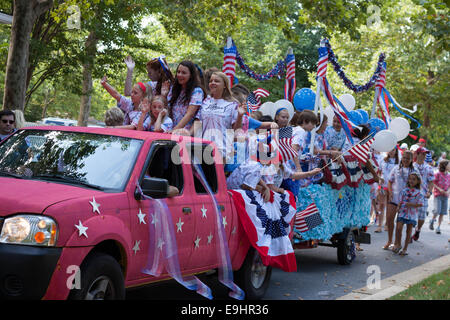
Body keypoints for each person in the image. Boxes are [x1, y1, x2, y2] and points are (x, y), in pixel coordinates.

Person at [192, 71, 243, 160]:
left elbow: (236, 131)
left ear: (224, 85)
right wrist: (189, 134)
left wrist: (240, 116)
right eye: (211, 81)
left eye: (216, 81)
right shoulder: (205, 101)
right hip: (202, 147)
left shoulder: (232, 104)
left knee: (215, 174)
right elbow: (198, 122)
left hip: (221, 149)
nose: (213, 83)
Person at [383, 150, 415, 250]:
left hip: (406, 201)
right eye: (404, 157)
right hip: (394, 198)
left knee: (400, 223)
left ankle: (397, 243)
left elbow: (418, 185)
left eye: (408, 158)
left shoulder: (414, 170)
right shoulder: (396, 168)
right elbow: (389, 181)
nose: (405, 160)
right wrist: (390, 191)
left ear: (411, 160)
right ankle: (389, 241)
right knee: (389, 219)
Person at [392, 172, 424, 256]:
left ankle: (405, 249)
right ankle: (398, 244)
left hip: (412, 214)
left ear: (418, 181)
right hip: (402, 212)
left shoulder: (419, 193)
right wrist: (398, 207)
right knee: (398, 228)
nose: (411, 181)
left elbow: (420, 204)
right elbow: (400, 200)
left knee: (408, 231)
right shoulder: (404, 190)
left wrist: (411, 205)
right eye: (410, 179)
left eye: (414, 179)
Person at [168, 60, 205, 131]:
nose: (180, 75)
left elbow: (189, 114)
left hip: (185, 134)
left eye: (184, 73)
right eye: (178, 72)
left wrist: (175, 130)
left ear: (191, 75)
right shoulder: (174, 89)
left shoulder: (197, 91)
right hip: (171, 131)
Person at [412, 147, 435, 241]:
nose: (424, 155)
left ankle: (418, 230)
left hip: (424, 195)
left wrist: (429, 192)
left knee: (421, 217)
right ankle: (409, 234)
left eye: (425, 154)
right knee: (411, 216)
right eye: (422, 153)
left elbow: (431, 181)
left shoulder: (428, 167)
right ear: (417, 154)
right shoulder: (412, 166)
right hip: (412, 195)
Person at [375, 148, 399, 233]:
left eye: (393, 150)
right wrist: (379, 179)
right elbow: (379, 172)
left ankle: (387, 224)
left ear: (396, 151)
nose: (391, 151)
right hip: (383, 186)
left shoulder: (398, 162)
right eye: (390, 149)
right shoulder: (383, 160)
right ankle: (379, 225)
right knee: (381, 205)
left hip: (393, 187)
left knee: (390, 206)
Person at [430, 160, 449, 234]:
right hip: (438, 195)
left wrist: (448, 191)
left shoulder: (449, 175)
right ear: (444, 165)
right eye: (449, 165)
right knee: (437, 210)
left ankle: (438, 227)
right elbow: (433, 183)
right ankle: (432, 219)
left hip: (446, 196)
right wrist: (439, 189)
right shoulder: (437, 174)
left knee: (442, 212)